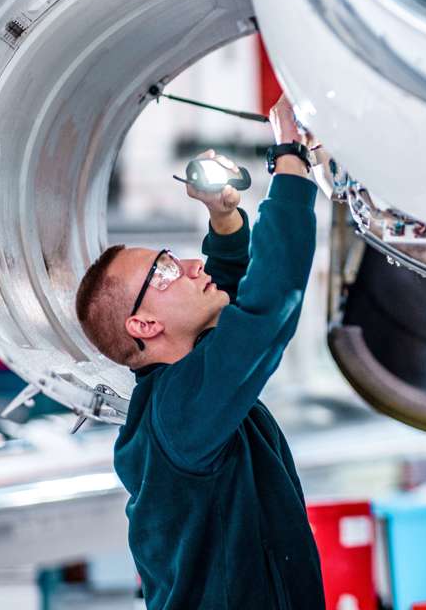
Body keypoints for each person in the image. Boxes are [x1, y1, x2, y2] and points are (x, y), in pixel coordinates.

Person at [73, 97, 323, 609]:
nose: (188, 264)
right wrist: (290, 163)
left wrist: (224, 218)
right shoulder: (179, 411)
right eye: (164, 272)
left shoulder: (177, 392)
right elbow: (266, 308)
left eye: (170, 256)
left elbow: (223, 298)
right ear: (144, 325)